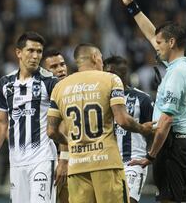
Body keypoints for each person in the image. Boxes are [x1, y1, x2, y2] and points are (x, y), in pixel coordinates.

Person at [47, 43, 154, 203]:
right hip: (106, 163)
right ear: (95, 58)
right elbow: (122, 119)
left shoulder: (60, 87)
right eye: (102, 59)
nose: (102, 63)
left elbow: (51, 131)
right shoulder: (110, 79)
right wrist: (142, 128)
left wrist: (71, 143)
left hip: (77, 165)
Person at [120, 0, 186, 203]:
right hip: (171, 145)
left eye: (160, 43)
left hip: (172, 146)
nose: (155, 45)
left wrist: (150, 156)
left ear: (171, 43)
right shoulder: (179, 67)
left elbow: (165, 122)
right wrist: (131, 6)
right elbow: (151, 34)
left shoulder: (177, 74)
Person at [0, 32, 64, 203]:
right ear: (18, 53)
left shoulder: (50, 82)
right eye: (31, 50)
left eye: (39, 51)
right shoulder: (5, 84)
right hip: (16, 161)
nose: (35, 56)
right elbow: (1, 122)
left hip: (43, 159)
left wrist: (64, 158)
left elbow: (63, 122)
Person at [104, 56, 154, 203]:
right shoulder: (99, 99)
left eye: (112, 73)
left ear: (123, 74)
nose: (108, 77)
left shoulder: (143, 99)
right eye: (106, 73)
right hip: (106, 162)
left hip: (133, 160)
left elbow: (153, 130)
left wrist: (150, 155)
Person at [41, 49, 69, 203]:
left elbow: (66, 125)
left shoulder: (71, 89)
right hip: (46, 158)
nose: (60, 69)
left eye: (62, 64)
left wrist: (64, 160)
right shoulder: (40, 93)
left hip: (69, 157)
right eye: (54, 67)